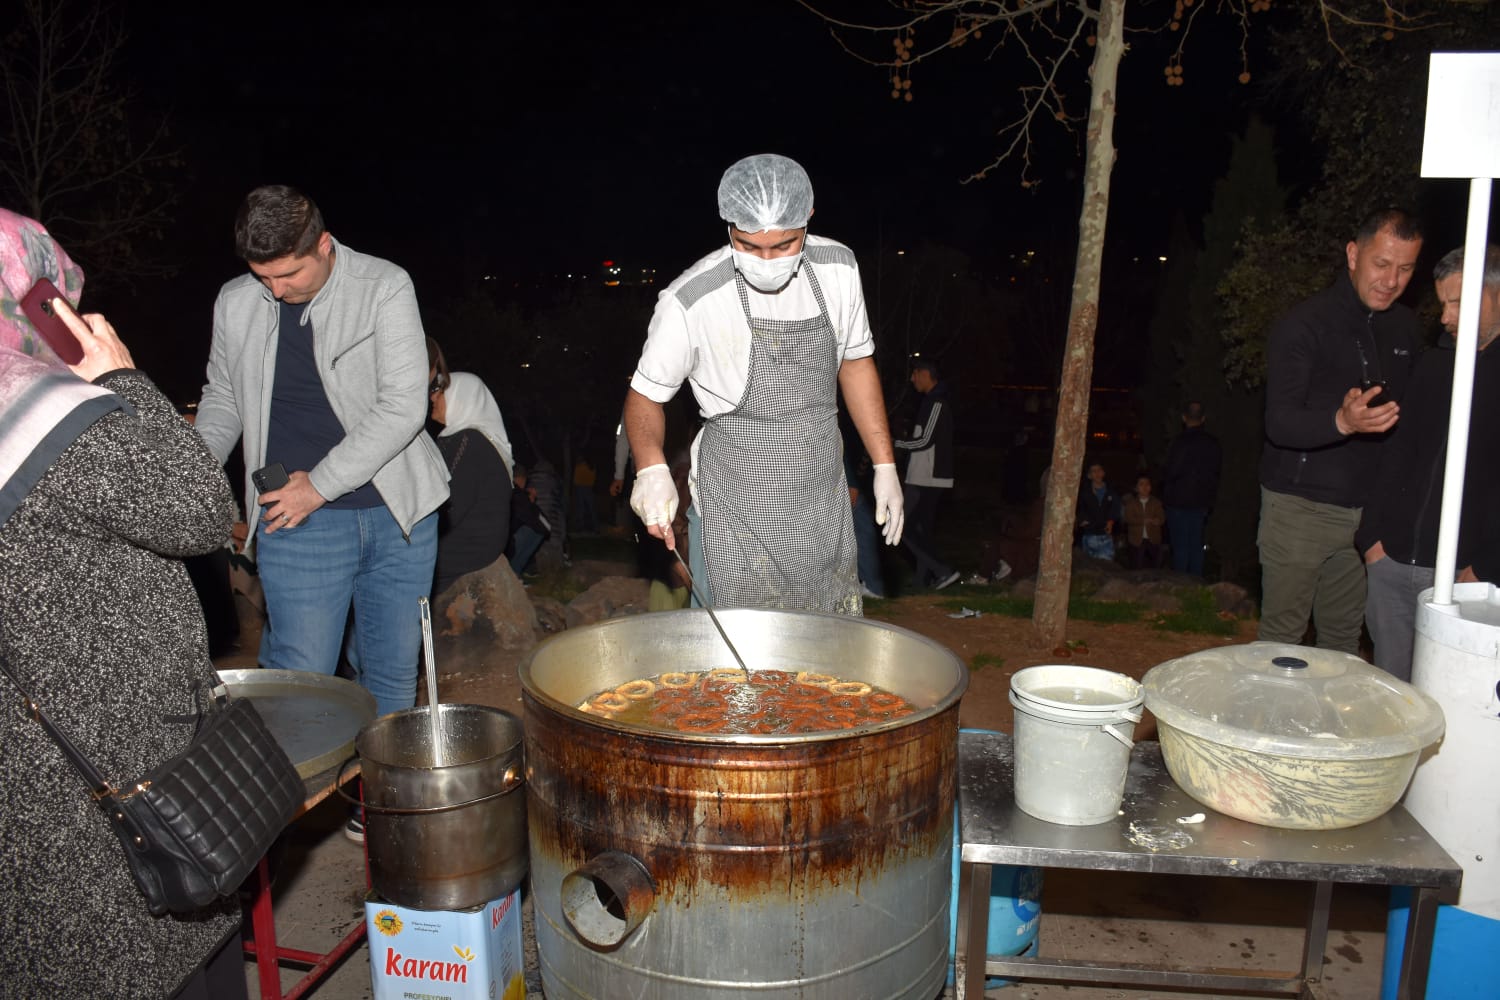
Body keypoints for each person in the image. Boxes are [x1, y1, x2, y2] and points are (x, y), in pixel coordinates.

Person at [0, 210, 248, 999]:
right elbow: (198, 508)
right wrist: (120, 377)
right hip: (112, 751)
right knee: (153, 946)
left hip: (28, 764)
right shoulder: (42, 412)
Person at [194, 185, 450, 725]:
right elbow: (222, 397)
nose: (276, 289)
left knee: (391, 680)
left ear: (324, 245)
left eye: (289, 275)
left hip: (399, 517)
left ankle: (376, 807)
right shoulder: (235, 302)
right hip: (296, 521)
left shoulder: (383, 285)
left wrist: (321, 483)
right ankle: (308, 807)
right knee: (301, 684)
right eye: (263, 276)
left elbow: (405, 406)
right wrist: (189, 466)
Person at [623, 153, 904, 616]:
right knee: (732, 670)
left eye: (785, 245)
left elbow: (855, 363)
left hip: (820, 506)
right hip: (734, 514)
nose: (767, 261)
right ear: (729, 225)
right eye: (749, 246)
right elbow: (644, 397)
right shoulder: (691, 299)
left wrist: (884, 465)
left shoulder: (839, 269)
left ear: (808, 219)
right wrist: (651, 469)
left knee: (824, 660)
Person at [1257, 207, 1422, 653]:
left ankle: (1326, 725)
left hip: (1367, 518)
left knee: (1342, 647)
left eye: (1405, 268)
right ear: (1353, 254)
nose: (1391, 280)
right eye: (1382, 264)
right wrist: (1342, 421)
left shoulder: (1406, 328)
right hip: (1299, 511)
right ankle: (1272, 722)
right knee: (1281, 644)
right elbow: (1279, 421)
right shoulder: (1304, 324)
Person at [1357, 245, 1500, 680]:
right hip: (1393, 562)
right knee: (1394, 696)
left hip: (1467, 578)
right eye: (1443, 303)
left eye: (1457, 302)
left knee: (1453, 701)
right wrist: (1372, 540)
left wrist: (1485, 568)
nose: (1445, 316)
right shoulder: (1434, 363)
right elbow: (1398, 452)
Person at [429, 372, 515, 595]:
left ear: (460, 396)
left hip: (469, 544)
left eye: (439, 391)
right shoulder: (464, 438)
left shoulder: (469, 441)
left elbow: (451, 504)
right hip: (474, 541)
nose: (433, 397)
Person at [895, 359, 960, 590]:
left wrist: (896, 443)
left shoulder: (937, 403)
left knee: (902, 527)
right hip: (921, 476)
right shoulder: (930, 401)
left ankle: (943, 571)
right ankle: (925, 579)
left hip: (928, 478)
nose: (912, 379)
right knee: (919, 529)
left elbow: (925, 440)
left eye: (915, 374)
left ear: (925, 374)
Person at [1162, 400, 1222, 575]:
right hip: (1201, 501)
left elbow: (1171, 470)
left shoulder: (1179, 443)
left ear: (1183, 418)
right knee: (1196, 544)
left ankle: (1181, 584)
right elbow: (1216, 473)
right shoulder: (1213, 443)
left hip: (1178, 500)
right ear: (1203, 418)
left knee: (1181, 545)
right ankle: (1196, 582)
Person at [508, 466, 552, 576]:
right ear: (523, 479)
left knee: (533, 529)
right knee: (536, 531)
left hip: (500, 539)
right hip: (508, 542)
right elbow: (544, 524)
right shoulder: (519, 496)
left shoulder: (509, 490)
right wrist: (531, 503)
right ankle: (514, 573)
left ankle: (516, 573)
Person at [1077, 461, 1121, 560]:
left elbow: (1116, 509)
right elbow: (1078, 509)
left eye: (1099, 470)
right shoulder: (1084, 493)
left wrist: (1111, 521)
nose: (1097, 473)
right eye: (1093, 471)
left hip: (1105, 536)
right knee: (1089, 569)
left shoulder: (1112, 491)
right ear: (1089, 475)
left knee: (1106, 567)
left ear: (1103, 473)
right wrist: (1081, 519)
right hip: (1088, 535)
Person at [1122, 474, 1166, 569]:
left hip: (1153, 538)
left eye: (1147, 484)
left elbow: (1162, 517)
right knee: (1137, 565)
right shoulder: (1131, 503)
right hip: (1136, 539)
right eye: (1141, 484)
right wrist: (1143, 521)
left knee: (1156, 564)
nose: (1145, 487)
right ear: (1136, 488)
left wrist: (1157, 520)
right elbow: (1128, 518)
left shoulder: (1156, 502)